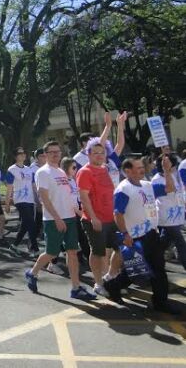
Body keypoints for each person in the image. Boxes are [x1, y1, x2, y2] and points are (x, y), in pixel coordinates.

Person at [104, 157, 179, 314]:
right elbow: (117, 214)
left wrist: (166, 170)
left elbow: (170, 189)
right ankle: (113, 286)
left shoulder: (147, 185)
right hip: (134, 237)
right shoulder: (123, 189)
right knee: (136, 270)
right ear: (127, 171)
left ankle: (160, 301)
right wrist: (125, 234)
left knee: (158, 268)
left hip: (150, 233)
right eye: (137, 168)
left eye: (141, 166)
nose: (142, 169)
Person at [25, 141, 96, 300]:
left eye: (58, 151)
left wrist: (80, 213)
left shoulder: (61, 172)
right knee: (51, 252)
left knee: (72, 252)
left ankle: (76, 288)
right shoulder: (43, 172)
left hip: (70, 217)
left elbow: (68, 197)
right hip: (53, 219)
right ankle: (32, 272)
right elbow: (43, 197)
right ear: (46, 154)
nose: (56, 154)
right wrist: (57, 218)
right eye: (52, 152)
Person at [77, 113, 127, 296]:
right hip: (94, 218)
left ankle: (110, 275)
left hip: (112, 215)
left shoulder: (108, 165)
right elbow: (84, 197)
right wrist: (93, 217)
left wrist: (120, 125)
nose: (99, 154)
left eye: (102, 152)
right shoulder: (85, 171)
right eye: (95, 153)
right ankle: (98, 282)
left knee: (122, 247)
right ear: (88, 154)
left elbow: (117, 145)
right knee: (98, 252)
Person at [152, 153, 186, 271]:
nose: (175, 168)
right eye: (173, 166)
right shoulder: (156, 180)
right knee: (181, 244)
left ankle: (151, 259)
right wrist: (166, 170)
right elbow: (170, 189)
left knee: (163, 244)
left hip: (176, 217)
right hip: (167, 219)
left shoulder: (172, 175)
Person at [5, 147, 38, 254]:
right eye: (20, 153)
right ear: (15, 156)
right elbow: (9, 188)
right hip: (20, 200)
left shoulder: (29, 169)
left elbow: (33, 186)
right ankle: (35, 249)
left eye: (24, 153)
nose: (23, 154)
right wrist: (7, 204)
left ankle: (14, 245)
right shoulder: (11, 170)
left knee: (25, 224)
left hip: (30, 200)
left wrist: (38, 199)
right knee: (31, 223)